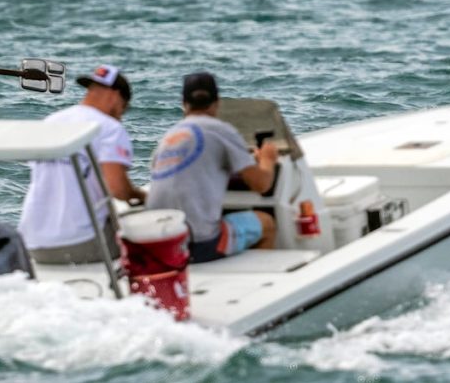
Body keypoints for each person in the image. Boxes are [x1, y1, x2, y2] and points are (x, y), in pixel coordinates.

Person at [18, 64, 146, 264]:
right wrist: (140, 195)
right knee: (144, 236)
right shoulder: (110, 128)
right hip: (79, 243)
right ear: (115, 97)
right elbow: (118, 190)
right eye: (124, 108)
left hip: (32, 243)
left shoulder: (51, 121)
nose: (121, 115)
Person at [146, 72, 278, 263]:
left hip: (161, 244)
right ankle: (266, 284)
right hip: (200, 244)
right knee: (266, 223)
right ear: (217, 103)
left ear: (184, 104)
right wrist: (267, 159)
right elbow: (261, 185)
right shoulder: (222, 130)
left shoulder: (168, 138)